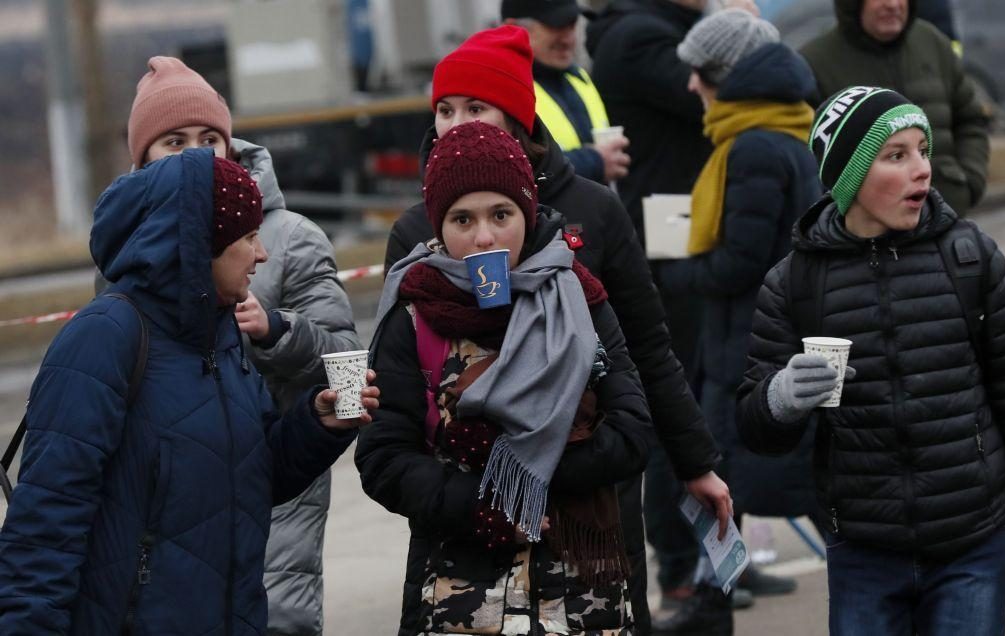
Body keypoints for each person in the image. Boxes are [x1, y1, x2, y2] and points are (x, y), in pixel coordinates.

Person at [383, 25, 730, 634]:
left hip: (590, 509)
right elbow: (399, 410)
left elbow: (646, 350)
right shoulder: (417, 231)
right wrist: (477, 485)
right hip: (465, 534)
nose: (457, 123)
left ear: (518, 117)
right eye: (444, 109)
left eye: (476, 107)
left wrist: (694, 460)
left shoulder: (593, 210)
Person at [0, 149, 379, 634]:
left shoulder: (223, 335)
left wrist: (318, 424)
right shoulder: (104, 337)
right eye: (247, 237)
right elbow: (44, 529)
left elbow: (251, 477)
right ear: (200, 243)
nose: (261, 254)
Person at [357, 120, 653, 635]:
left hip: (585, 604)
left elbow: (632, 430)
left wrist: (521, 471)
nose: (485, 236)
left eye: (501, 214)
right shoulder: (415, 315)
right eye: (462, 219)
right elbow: (383, 459)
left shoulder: (578, 296)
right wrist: (482, 504)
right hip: (464, 602)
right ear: (437, 225)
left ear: (527, 212)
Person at [737, 87, 1005, 636]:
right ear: (850, 178)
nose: (923, 171)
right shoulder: (794, 283)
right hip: (864, 548)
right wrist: (782, 397)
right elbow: (755, 428)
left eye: (923, 150)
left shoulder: (970, 256)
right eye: (896, 156)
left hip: (973, 541)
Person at [123, 56, 361, 635]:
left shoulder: (291, 237)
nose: (198, 154)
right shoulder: (127, 244)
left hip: (279, 480)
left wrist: (279, 331)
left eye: (211, 138)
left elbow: (353, 364)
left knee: (275, 618)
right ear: (142, 161)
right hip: (173, 495)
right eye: (174, 142)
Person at [652, 8, 821, 630]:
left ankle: (709, 603)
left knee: (722, 481)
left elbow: (738, 266)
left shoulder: (750, 147)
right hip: (759, 338)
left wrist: (669, 269)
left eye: (699, 73)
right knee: (734, 485)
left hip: (745, 344)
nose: (691, 86)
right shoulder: (783, 132)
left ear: (726, 74)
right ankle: (710, 599)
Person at [799, 0, 989, 214]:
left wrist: (970, 181)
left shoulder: (933, 42)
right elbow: (807, 155)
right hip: (866, 234)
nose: (892, 4)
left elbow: (970, 119)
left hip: (948, 212)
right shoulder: (815, 63)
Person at [501, 0, 631, 184]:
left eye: (572, 25)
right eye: (556, 26)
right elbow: (515, 171)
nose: (568, 38)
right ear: (513, 28)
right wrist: (594, 162)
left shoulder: (578, 78)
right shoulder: (499, 92)